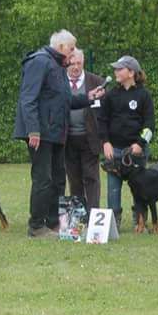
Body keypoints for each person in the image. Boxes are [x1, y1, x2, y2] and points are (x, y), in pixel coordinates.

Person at [13, 30, 104, 238]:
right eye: (71, 49)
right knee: (42, 178)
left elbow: (65, 101)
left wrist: (88, 98)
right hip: (41, 133)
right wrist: (33, 129)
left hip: (56, 133)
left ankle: (54, 223)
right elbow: (28, 98)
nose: (73, 56)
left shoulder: (57, 66)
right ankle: (36, 225)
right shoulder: (39, 62)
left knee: (58, 179)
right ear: (61, 47)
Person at [97, 55, 155, 231]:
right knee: (113, 189)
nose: (115, 71)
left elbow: (149, 125)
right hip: (114, 149)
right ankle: (113, 223)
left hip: (135, 151)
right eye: (115, 68)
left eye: (119, 69)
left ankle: (140, 220)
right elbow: (102, 121)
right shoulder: (111, 95)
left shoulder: (144, 95)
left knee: (140, 187)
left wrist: (140, 144)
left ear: (131, 72)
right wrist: (105, 143)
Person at [64, 48, 105, 211]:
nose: (75, 67)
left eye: (78, 63)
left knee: (91, 177)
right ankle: (77, 218)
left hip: (90, 139)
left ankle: (94, 214)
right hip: (67, 139)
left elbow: (104, 112)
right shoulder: (59, 82)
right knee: (74, 179)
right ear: (66, 64)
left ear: (83, 63)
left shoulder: (96, 82)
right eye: (72, 63)